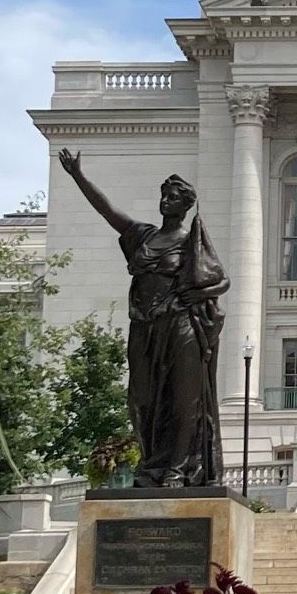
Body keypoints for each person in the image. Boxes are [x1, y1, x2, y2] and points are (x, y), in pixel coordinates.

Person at [57, 150, 228, 486]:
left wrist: (199, 294)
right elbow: (107, 211)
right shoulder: (144, 236)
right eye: (164, 195)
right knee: (143, 400)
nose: (166, 200)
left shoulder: (192, 241)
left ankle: (178, 469)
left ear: (186, 205)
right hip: (145, 328)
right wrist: (78, 176)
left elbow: (221, 280)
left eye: (174, 197)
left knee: (183, 400)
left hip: (180, 327)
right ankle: (153, 464)